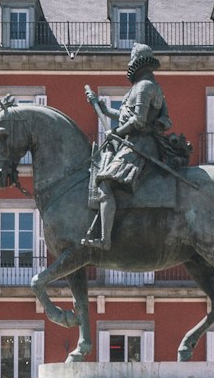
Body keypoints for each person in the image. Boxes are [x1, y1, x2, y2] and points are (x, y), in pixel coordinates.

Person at [81, 44, 190, 249]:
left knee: (104, 185)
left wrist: (116, 132)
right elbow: (126, 116)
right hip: (133, 143)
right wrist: (104, 109)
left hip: (139, 146)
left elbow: (138, 121)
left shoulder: (144, 87)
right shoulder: (145, 86)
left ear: (137, 64)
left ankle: (105, 240)